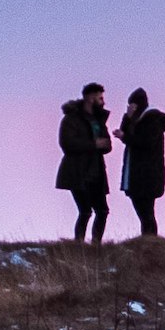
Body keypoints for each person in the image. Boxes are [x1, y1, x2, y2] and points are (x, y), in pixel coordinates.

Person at [55, 83, 112, 243]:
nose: (103, 102)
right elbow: (67, 143)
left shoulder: (99, 119)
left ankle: (96, 245)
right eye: (100, 98)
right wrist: (94, 144)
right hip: (77, 172)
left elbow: (107, 145)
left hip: (97, 172)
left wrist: (104, 144)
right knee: (85, 211)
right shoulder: (71, 118)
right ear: (90, 98)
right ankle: (78, 244)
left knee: (102, 211)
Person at [119, 88, 165, 238]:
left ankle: (150, 241)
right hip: (140, 176)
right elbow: (127, 133)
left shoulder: (151, 120)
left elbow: (144, 142)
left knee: (146, 212)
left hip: (146, 176)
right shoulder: (140, 120)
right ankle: (148, 240)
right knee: (145, 212)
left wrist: (125, 136)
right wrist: (127, 118)